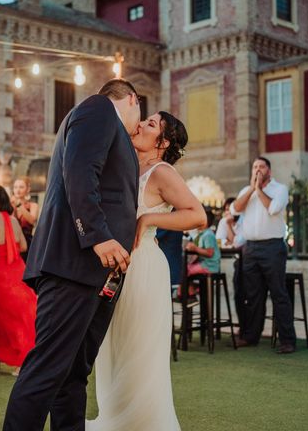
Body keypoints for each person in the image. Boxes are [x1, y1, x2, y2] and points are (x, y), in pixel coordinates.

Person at [3, 79, 141, 431]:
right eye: (139, 115)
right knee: (48, 367)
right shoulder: (99, 109)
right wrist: (98, 236)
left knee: (73, 373)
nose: (139, 125)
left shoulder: (106, 126)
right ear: (131, 99)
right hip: (75, 263)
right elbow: (80, 171)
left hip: (95, 271)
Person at [88, 112, 205, 431]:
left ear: (163, 143)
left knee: (137, 351)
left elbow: (198, 215)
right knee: (113, 346)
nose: (140, 124)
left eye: (151, 124)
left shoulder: (162, 171)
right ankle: (114, 418)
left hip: (144, 269)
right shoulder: (128, 167)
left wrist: (149, 220)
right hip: (116, 268)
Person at [230, 156, 297, 354]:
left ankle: (288, 341)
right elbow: (235, 209)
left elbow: (273, 209)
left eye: (261, 167)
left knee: (278, 294)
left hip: (272, 248)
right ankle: (251, 336)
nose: (258, 170)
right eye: (255, 167)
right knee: (253, 296)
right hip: (250, 249)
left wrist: (259, 189)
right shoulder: (246, 191)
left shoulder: (280, 189)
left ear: (269, 170)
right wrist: (252, 188)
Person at [0, 185, 36, 376]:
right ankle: (2, 356)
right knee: (20, 314)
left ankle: (2, 356)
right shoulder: (12, 220)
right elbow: (23, 246)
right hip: (17, 270)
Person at [216, 197, 247, 336]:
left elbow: (239, 243)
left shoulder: (245, 221)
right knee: (238, 292)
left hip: (248, 260)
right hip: (238, 261)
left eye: (231, 210)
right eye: (226, 210)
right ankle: (242, 325)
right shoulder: (223, 221)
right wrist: (229, 239)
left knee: (249, 295)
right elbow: (220, 241)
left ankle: (247, 328)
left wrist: (229, 229)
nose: (228, 213)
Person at [11, 176, 39, 261]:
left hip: (28, 243)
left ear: (28, 189)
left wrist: (19, 205)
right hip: (13, 243)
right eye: (15, 187)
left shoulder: (33, 206)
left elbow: (32, 220)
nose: (18, 190)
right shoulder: (9, 205)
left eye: (21, 187)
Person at [185, 210, 221, 276]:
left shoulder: (208, 235)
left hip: (209, 266)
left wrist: (195, 248)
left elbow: (209, 253)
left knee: (186, 270)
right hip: (205, 264)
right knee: (187, 268)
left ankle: (187, 286)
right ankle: (194, 286)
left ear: (205, 222)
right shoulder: (203, 234)